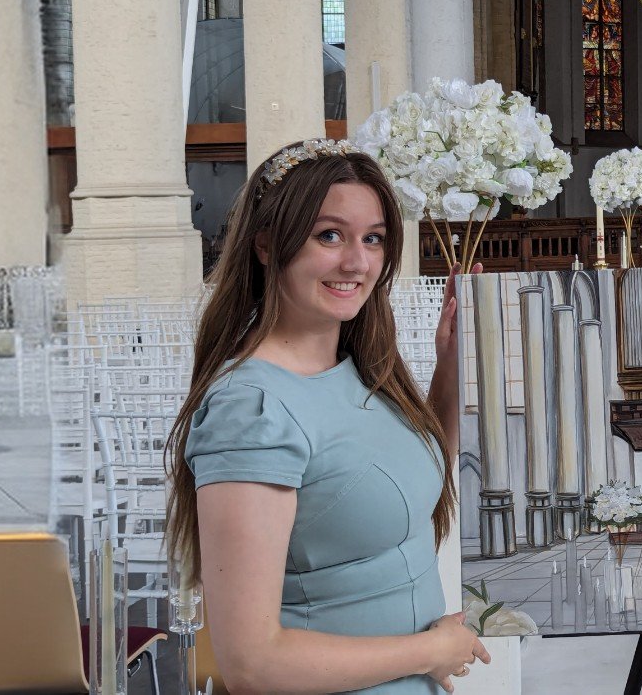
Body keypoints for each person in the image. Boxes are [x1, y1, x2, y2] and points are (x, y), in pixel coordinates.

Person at [164, 139, 491, 694]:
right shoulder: (253, 410)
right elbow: (251, 664)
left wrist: (451, 369)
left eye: (373, 239)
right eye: (329, 235)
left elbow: (402, 478)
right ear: (266, 245)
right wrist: (430, 649)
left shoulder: (363, 371)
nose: (356, 262)